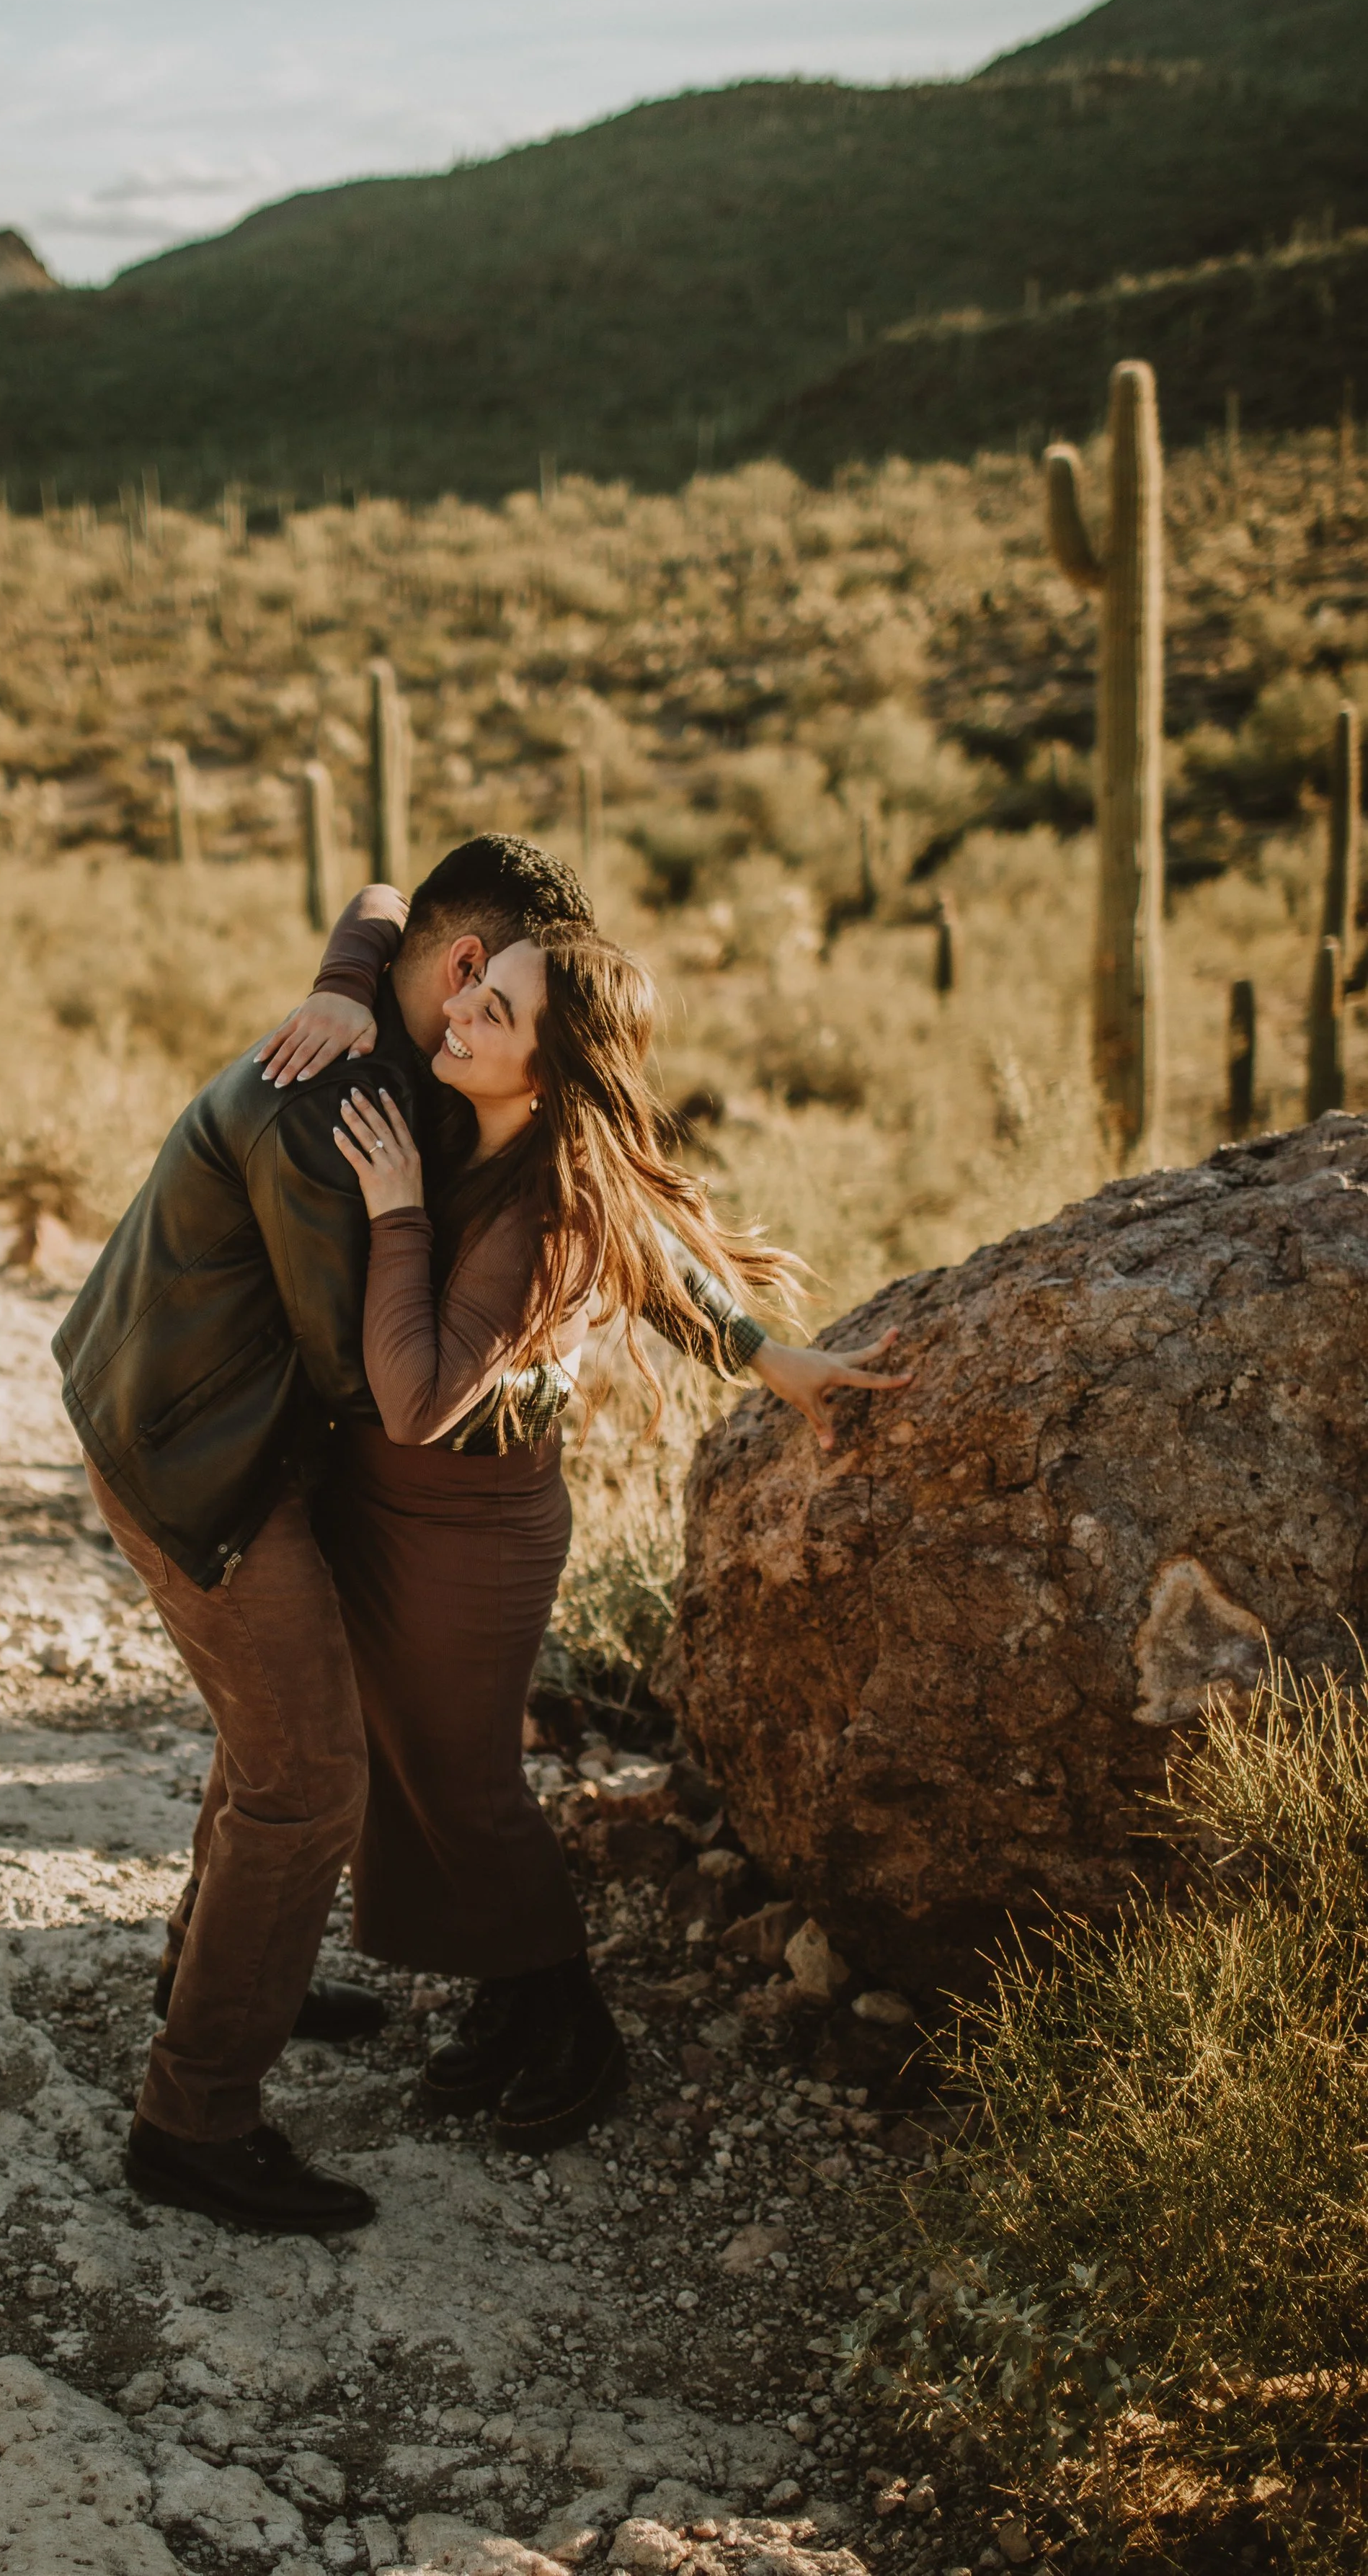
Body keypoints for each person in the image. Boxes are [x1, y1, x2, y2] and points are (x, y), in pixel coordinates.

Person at [53, 836, 598, 2237]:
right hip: (204, 1467)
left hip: (161, 1406)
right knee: (307, 1779)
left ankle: (227, 1972)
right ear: (465, 966)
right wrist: (519, 1356)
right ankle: (195, 2121)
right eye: (494, 987)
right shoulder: (337, 1111)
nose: (490, 1017)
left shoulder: (368, 1024)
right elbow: (371, 1385)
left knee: (269, 1743)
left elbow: (377, 897)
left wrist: (350, 969)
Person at [311, 916, 908, 2151]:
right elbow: (665, 1261)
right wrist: (764, 1353)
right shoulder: (486, 1130)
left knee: (470, 1786)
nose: (459, 1009)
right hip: (401, 1516)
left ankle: (576, 2026)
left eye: (497, 1011)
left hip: (475, 1528)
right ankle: (510, 1997)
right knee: (416, 1769)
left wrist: (395, 1211)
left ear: (554, 1066)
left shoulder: (543, 1211)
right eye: (475, 985)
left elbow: (419, 1401)